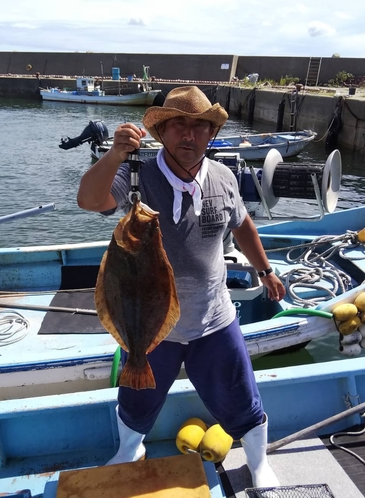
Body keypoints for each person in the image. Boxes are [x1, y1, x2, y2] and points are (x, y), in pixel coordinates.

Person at [77, 86, 286, 488]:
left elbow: (242, 225)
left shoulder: (224, 177)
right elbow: (89, 200)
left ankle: (259, 463)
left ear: (210, 134)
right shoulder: (137, 173)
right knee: (138, 397)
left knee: (241, 395)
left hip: (213, 318)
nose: (189, 135)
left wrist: (265, 271)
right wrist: (115, 154)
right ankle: (130, 448)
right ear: (162, 132)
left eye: (198, 127)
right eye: (179, 125)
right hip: (150, 324)